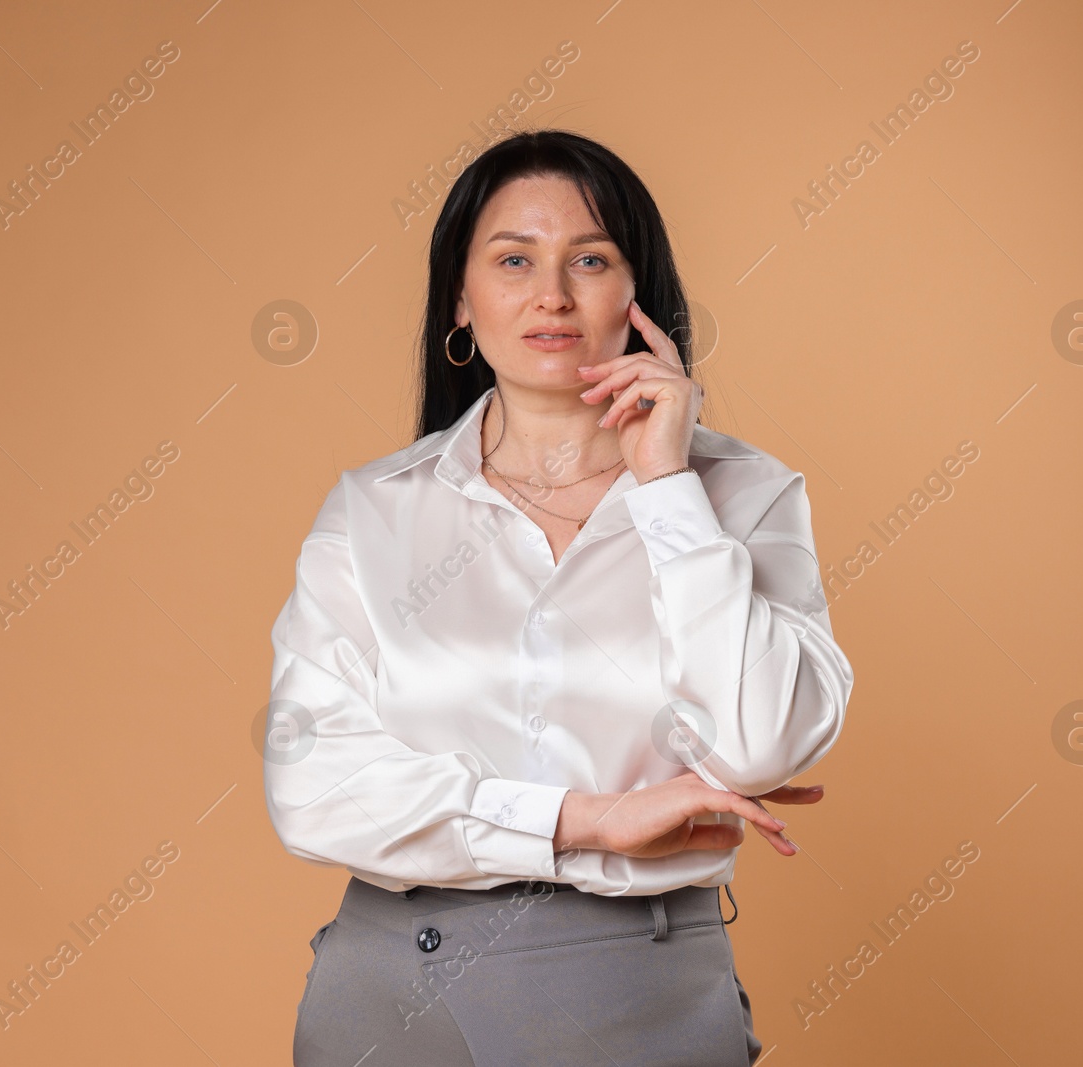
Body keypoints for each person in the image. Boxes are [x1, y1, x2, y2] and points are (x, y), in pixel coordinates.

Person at [263, 128, 854, 1066]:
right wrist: (587, 819)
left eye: (589, 258)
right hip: (388, 996)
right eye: (513, 260)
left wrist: (667, 489)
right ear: (461, 296)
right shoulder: (372, 510)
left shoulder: (744, 494)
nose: (552, 294)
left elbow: (760, 742)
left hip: (637, 988)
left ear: (637, 291)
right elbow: (311, 785)